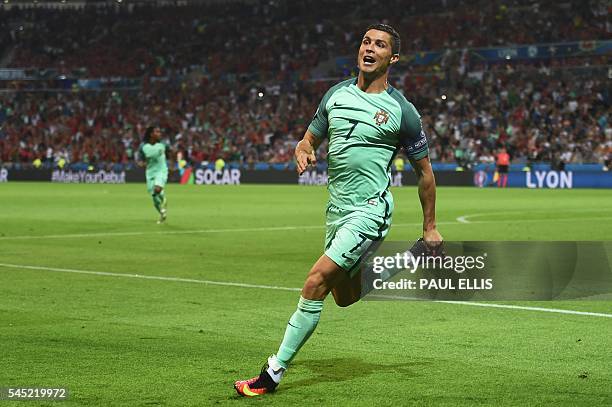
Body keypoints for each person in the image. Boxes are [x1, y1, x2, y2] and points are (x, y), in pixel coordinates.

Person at [234, 23, 442, 397]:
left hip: (369, 211)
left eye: (379, 45)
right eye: (366, 41)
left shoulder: (402, 111)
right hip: (336, 212)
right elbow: (309, 137)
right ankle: (410, 257)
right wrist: (303, 148)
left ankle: (272, 373)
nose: (370, 48)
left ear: (392, 58)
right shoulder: (335, 95)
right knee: (343, 297)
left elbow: (424, 173)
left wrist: (430, 225)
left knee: (314, 283)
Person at [138, 126, 169, 223]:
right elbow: (141, 159)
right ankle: (162, 212)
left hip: (161, 170)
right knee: (154, 197)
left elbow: (171, 152)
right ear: (151, 134)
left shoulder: (163, 145)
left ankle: (164, 199)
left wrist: (172, 163)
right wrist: (141, 163)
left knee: (157, 189)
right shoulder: (143, 146)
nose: (160, 133)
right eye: (157, 132)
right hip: (150, 172)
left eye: (160, 131)